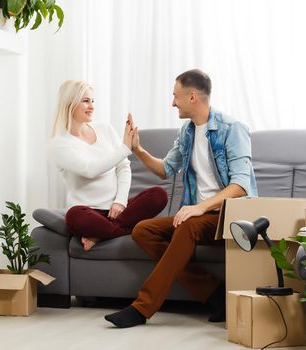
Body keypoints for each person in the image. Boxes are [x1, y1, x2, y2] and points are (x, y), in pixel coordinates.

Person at [104, 69, 258, 328]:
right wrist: (137, 149)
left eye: (175, 96)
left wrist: (200, 207)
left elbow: (241, 185)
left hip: (230, 215)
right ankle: (214, 293)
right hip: (201, 215)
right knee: (143, 230)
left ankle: (141, 308)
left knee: (187, 225)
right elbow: (165, 169)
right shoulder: (187, 132)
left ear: (193, 96)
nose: (172, 102)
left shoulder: (233, 129)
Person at [50, 80, 168, 251]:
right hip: (88, 213)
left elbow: (123, 167)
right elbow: (90, 169)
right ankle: (116, 230)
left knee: (159, 195)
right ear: (69, 103)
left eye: (92, 101)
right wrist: (125, 148)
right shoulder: (59, 144)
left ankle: (101, 234)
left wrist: (120, 201)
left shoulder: (104, 129)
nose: (91, 106)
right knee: (74, 216)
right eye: (85, 101)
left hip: (118, 210)